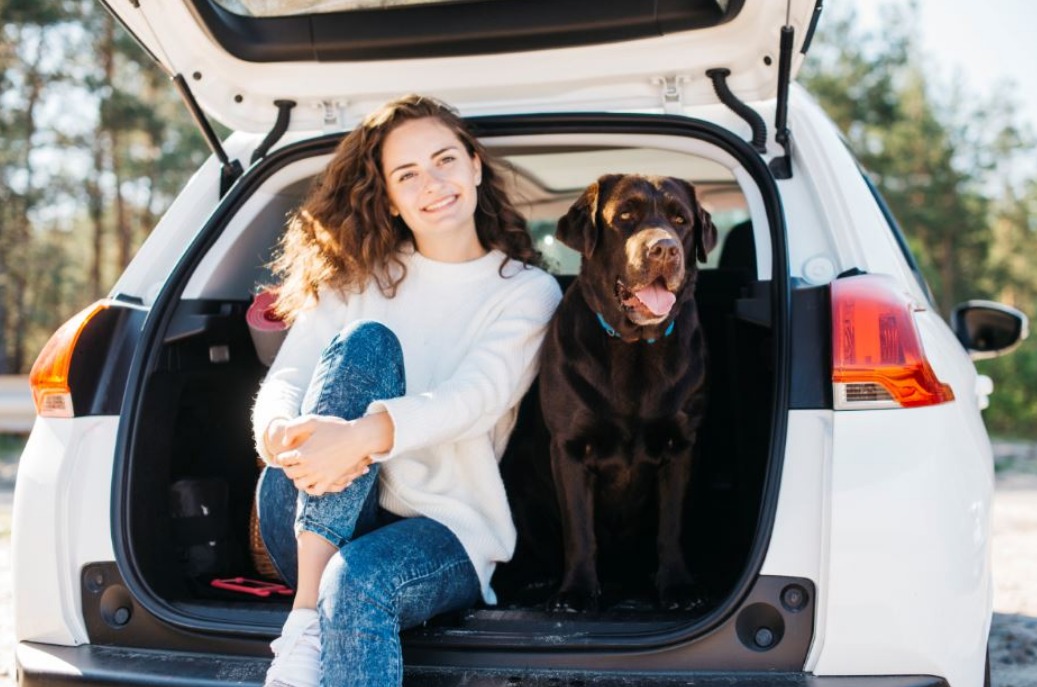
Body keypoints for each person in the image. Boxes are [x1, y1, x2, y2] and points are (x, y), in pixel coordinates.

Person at [251, 94, 562, 687]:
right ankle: (306, 622)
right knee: (366, 343)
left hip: (446, 527)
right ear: (388, 197)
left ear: (475, 165)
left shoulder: (527, 291)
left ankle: (307, 621)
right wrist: (278, 435)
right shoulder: (361, 276)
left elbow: (476, 397)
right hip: (312, 509)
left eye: (445, 160)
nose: (433, 184)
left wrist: (360, 437)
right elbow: (287, 377)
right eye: (407, 174)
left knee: (359, 580)